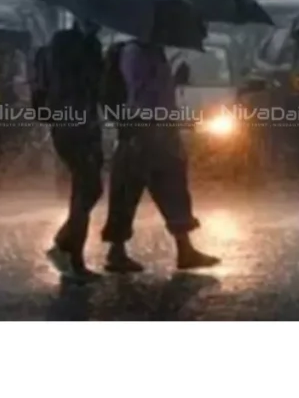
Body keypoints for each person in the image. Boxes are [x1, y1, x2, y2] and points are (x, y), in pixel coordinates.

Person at [101, 38, 220, 272]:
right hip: (147, 129)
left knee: (166, 188)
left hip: (155, 128)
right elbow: (141, 92)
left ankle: (183, 249)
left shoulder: (153, 51)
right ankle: (118, 252)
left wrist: (174, 81)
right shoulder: (136, 53)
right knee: (136, 189)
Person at [44, 18, 105, 280]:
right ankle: (73, 258)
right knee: (85, 187)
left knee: (91, 188)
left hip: (83, 123)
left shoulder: (88, 44)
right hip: (72, 124)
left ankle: (64, 245)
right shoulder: (68, 44)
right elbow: (81, 82)